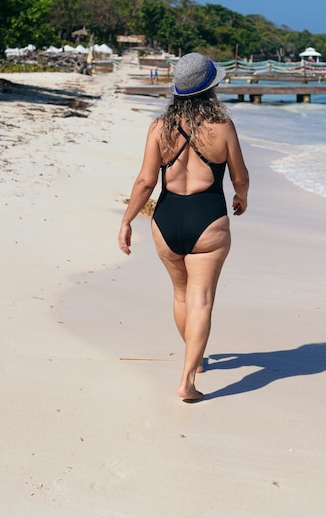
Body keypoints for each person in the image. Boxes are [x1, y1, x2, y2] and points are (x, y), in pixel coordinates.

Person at [118, 52, 249, 402]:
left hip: (166, 221)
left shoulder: (159, 128)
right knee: (201, 300)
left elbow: (146, 181)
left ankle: (197, 357)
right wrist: (241, 197)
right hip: (208, 221)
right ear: (212, 88)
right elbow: (240, 176)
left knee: (181, 294)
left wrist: (127, 221)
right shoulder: (222, 128)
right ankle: (188, 380)